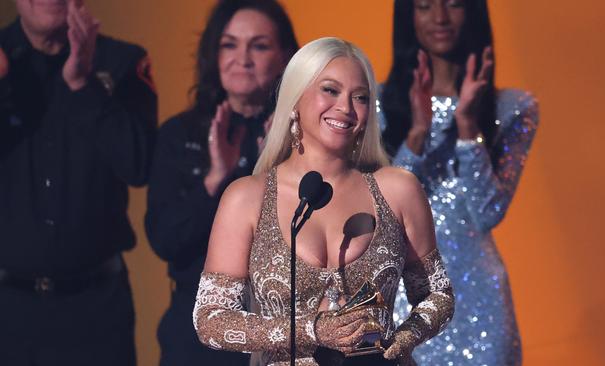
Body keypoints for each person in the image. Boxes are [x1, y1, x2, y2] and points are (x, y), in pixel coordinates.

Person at [192, 37, 454, 366]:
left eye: (360, 97)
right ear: (295, 98)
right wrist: (311, 330)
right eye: (330, 90)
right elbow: (210, 319)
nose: (345, 107)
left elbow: (436, 293)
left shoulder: (397, 189)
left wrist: (405, 336)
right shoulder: (247, 197)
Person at [380, 0, 539, 365]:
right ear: (409, 16)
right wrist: (418, 133)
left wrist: (468, 127)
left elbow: (487, 213)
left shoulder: (511, 107)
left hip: (481, 303)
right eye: (424, 6)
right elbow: (383, 210)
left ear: (472, 13)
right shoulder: (378, 103)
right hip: (408, 303)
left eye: (453, 4)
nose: (440, 18)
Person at [0, 0, 157, 365]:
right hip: (8, 310)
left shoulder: (121, 61)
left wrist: (84, 84)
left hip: (97, 308)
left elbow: (140, 166)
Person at [144, 1, 298, 365]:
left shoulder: (305, 137)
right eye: (229, 45)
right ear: (213, 54)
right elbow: (165, 239)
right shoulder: (179, 134)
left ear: (285, 56)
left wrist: (279, 164)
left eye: (258, 46)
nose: (242, 59)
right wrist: (215, 179)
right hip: (197, 336)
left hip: (282, 331)